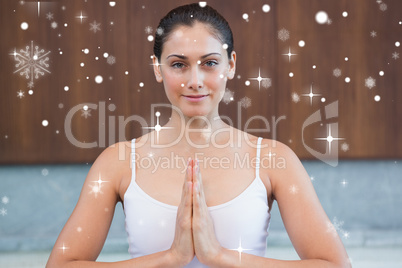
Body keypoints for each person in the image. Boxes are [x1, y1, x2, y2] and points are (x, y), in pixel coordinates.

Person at [47, 3, 351, 268]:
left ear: (230, 65)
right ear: (157, 68)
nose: (195, 81)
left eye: (210, 63)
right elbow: (61, 265)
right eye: (179, 65)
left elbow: (335, 264)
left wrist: (219, 256)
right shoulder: (119, 162)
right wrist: (170, 258)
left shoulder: (273, 159)